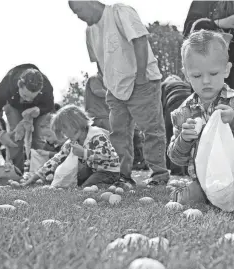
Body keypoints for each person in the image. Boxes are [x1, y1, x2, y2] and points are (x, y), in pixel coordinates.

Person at [168, 29, 234, 210]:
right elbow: (175, 157)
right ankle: (194, 194)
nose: (206, 81)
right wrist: (184, 139)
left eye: (213, 73)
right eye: (197, 75)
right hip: (207, 180)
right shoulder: (183, 113)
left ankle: (219, 200)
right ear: (186, 74)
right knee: (189, 199)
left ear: (226, 70)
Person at [68, 1, 169, 187]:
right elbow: (99, 61)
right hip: (114, 88)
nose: (78, 16)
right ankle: (122, 175)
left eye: (78, 10)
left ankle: (159, 175)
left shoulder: (119, 12)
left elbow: (139, 40)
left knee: (151, 129)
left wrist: (140, 77)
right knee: (118, 133)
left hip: (141, 81)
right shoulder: (90, 31)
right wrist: (107, 83)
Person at [22, 105, 120, 188]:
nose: (64, 134)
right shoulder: (72, 141)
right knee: (79, 181)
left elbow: (106, 155)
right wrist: (35, 177)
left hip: (108, 171)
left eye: (64, 130)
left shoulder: (96, 135)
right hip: (93, 170)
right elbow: (57, 159)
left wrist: (84, 153)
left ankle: (116, 183)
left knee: (87, 187)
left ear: (74, 124)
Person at [0, 64, 55, 173]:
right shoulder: (6, 86)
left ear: (40, 90)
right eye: (25, 95)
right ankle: (17, 172)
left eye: (32, 97)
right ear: (19, 85)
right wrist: (0, 134)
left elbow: (50, 106)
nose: (28, 100)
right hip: (14, 106)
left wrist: (39, 110)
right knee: (15, 138)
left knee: (38, 136)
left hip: (38, 108)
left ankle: (40, 172)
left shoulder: (47, 87)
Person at [85, 71, 149, 171]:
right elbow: (97, 91)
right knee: (111, 142)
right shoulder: (95, 78)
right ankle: (111, 167)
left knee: (122, 139)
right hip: (98, 117)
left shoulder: (108, 80)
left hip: (106, 115)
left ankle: (129, 165)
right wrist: (117, 94)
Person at [161, 75, 192, 176]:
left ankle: (176, 170)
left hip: (172, 106)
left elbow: (160, 106)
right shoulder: (185, 84)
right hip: (189, 106)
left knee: (172, 137)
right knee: (189, 137)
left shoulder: (163, 85)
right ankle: (189, 170)